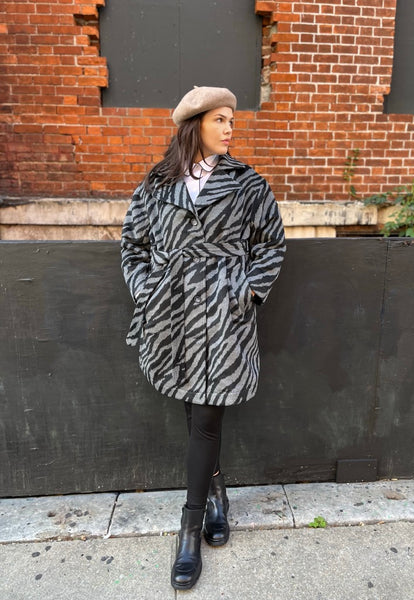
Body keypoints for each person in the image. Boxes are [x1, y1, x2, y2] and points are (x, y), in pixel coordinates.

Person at [121, 86, 286, 590]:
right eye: (221, 120)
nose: (231, 129)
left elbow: (271, 245)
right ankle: (217, 496)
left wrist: (246, 293)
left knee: (207, 417)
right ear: (195, 125)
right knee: (192, 410)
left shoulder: (248, 184)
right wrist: (148, 289)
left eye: (232, 120)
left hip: (222, 315)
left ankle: (189, 527)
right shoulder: (156, 184)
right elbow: (134, 244)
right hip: (170, 314)